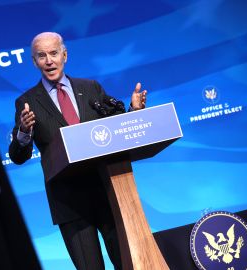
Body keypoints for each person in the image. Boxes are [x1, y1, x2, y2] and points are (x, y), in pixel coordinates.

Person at [8, 32, 147, 270]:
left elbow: (117, 128)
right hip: (69, 203)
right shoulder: (27, 102)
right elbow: (18, 157)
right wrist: (23, 131)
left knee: (128, 264)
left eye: (53, 53)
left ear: (65, 55)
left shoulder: (90, 88)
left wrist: (134, 111)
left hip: (108, 193)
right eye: (42, 56)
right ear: (34, 62)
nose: (49, 61)